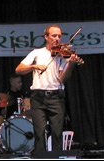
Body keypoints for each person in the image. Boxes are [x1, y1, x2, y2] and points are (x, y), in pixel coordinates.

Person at [16, 24, 82, 152]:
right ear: (46, 37)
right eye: (54, 36)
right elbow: (19, 69)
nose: (57, 39)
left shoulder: (62, 54)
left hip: (56, 97)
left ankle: (56, 157)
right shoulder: (37, 53)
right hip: (38, 97)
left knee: (57, 133)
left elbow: (63, 79)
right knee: (39, 133)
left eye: (59, 36)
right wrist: (34, 66)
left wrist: (71, 65)